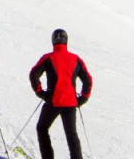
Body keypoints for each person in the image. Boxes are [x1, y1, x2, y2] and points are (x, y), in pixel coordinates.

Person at [28, 28, 93, 159]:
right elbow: (88, 80)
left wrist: (41, 93)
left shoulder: (48, 57)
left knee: (42, 128)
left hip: (53, 101)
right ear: (66, 41)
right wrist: (82, 98)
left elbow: (33, 74)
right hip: (70, 102)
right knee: (72, 135)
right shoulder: (76, 59)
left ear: (53, 41)